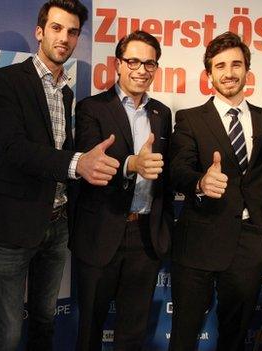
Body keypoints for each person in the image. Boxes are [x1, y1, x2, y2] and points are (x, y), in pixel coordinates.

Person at [0, 1, 121, 350]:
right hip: (15, 223)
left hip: (56, 223)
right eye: (56, 28)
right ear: (40, 32)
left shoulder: (68, 91)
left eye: (72, 31)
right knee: (9, 331)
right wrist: (77, 164)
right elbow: (14, 149)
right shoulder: (6, 81)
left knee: (45, 318)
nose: (65, 38)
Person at [169, 31, 262, 351]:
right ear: (209, 75)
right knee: (183, 334)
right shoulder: (190, 119)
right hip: (198, 240)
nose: (229, 73)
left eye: (236, 64)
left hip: (250, 243)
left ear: (248, 71)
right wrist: (200, 183)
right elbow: (178, 170)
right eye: (220, 66)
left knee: (235, 337)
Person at [70, 30, 174, 351]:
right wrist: (132, 163)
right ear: (118, 64)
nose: (141, 70)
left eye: (150, 63)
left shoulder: (161, 113)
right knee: (90, 329)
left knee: (133, 333)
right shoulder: (92, 108)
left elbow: (164, 172)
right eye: (133, 61)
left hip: (145, 236)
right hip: (101, 232)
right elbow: (92, 156)